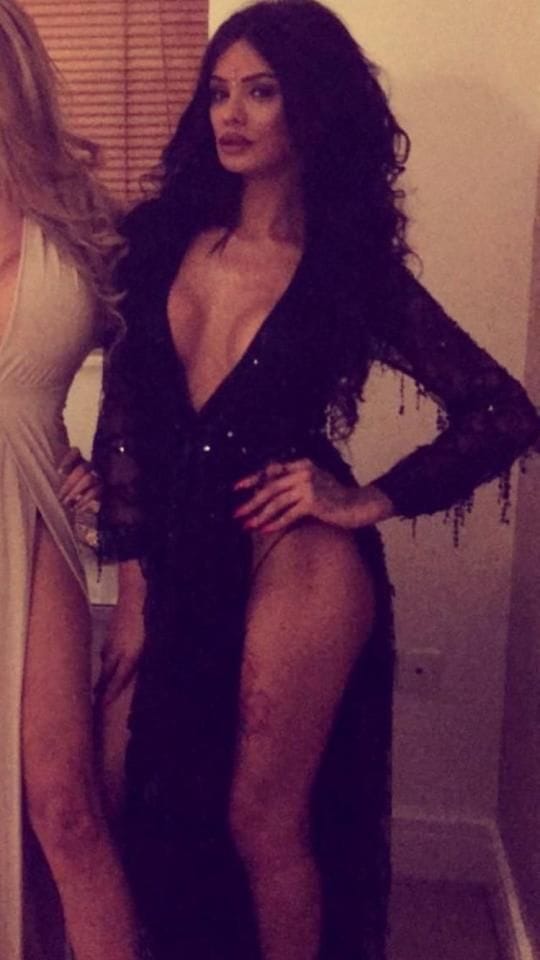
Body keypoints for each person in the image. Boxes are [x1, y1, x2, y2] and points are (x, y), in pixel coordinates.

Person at [93, 2, 540, 959]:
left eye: (261, 91)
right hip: (176, 545)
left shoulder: (348, 269)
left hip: (291, 554)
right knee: (137, 782)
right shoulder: (160, 239)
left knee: (262, 818)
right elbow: (124, 417)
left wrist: (367, 497)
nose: (232, 114)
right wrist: (131, 589)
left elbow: (502, 411)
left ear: (313, 105)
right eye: (219, 92)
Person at [0, 2, 144, 959]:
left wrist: (115, 469)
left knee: (65, 803)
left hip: (32, 519)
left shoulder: (86, 219)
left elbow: (156, 374)